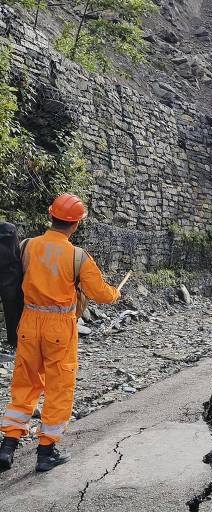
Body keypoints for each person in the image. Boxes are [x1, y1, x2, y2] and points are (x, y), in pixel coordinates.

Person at [0, 194, 121, 472]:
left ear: (50, 215)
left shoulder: (27, 246)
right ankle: (46, 451)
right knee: (58, 387)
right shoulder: (78, 257)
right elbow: (100, 294)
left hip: (28, 322)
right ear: (76, 224)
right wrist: (115, 294)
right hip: (59, 328)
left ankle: (7, 447)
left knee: (25, 384)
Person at [0, 223, 24, 351]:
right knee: (18, 310)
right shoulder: (13, 239)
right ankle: (18, 338)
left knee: (10, 312)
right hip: (16, 281)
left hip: (5, 283)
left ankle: (12, 339)